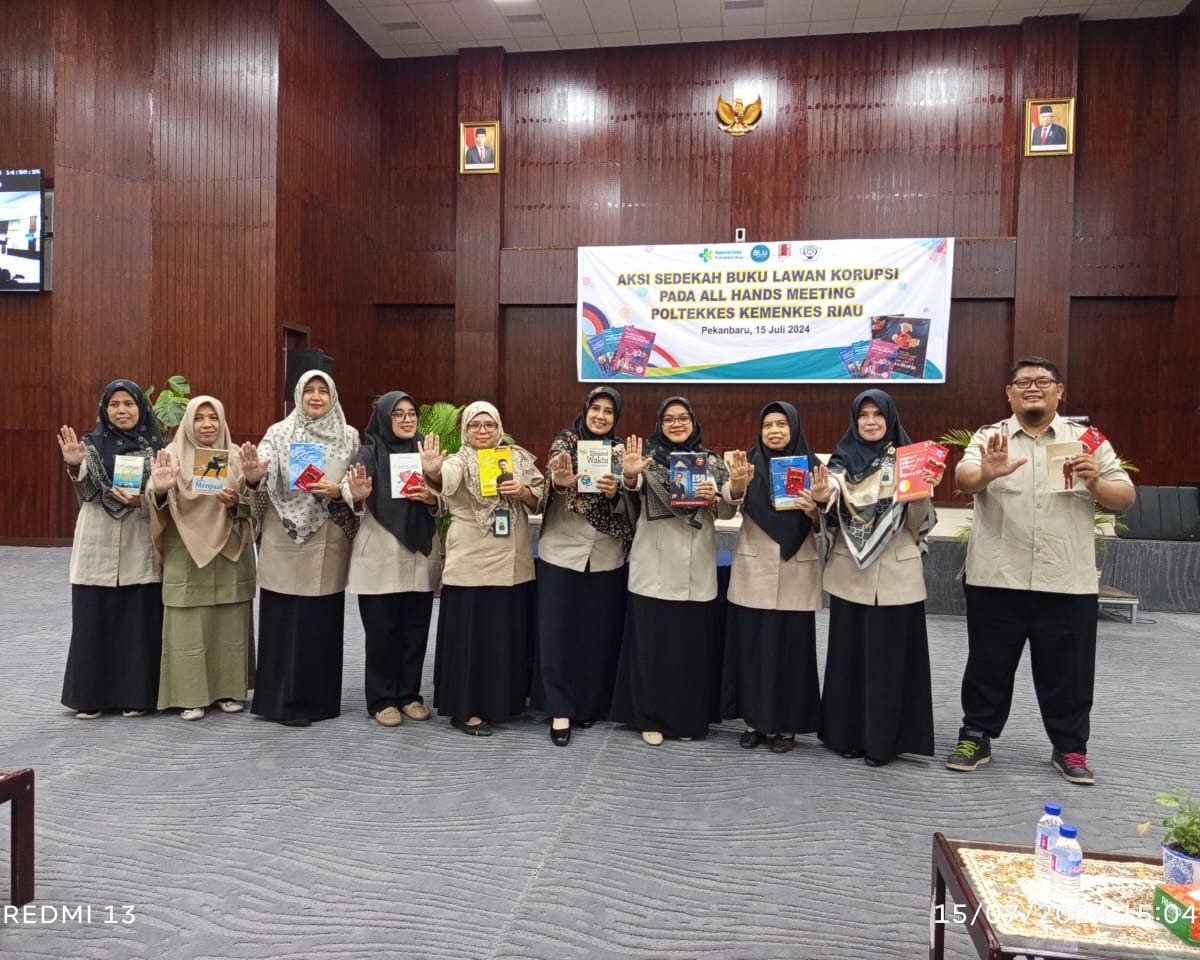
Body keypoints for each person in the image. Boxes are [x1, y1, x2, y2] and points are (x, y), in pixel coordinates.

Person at [946, 357, 1135, 785]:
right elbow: (963, 477)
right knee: (987, 665)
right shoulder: (989, 436)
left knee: (1068, 670)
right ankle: (976, 734)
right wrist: (985, 474)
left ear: (1060, 390)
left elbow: (1124, 495)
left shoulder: (1087, 439)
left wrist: (1096, 484)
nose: (1034, 388)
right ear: (1008, 393)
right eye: (1023, 382)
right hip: (997, 575)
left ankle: (1070, 747)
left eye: (1043, 381)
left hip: (1066, 579)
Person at [610, 396, 746, 746]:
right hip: (654, 566)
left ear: (693, 421)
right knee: (653, 649)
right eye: (669, 419)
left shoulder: (710, 462)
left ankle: (687, 717)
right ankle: (650, 718)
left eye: (682, 418)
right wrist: (628, 473)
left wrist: (726, 492)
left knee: (689, 650)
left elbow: (727, 506)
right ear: (659, 424)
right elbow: (631, 488)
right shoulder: (646, 459)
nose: (676, 424)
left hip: (696, 569)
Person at [814, 389, 938, 767]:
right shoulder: (840, 461)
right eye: (863, 415)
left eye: (877, 415)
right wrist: (822, 497)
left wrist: (921, 492)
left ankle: (886, 740)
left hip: (897, 575)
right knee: (849, 658)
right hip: (851, 573)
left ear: (890, 419)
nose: (870, 422)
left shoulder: (910, 460)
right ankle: (847, 735)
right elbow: (830, 506)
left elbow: (921, 525)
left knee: (891, 661)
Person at [243, 370, 369, 727]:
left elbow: (354, 479)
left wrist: (341, 489)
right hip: (284, 534)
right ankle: (279, 701)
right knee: (282, 618)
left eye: (323, 391)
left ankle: (318, 702)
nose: (316, 397)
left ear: (333, 397)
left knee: (320, 621)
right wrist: (253, 474)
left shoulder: (348, 435)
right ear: (298, 395)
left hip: (327, 534)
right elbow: (261, 472)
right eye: (309, 390)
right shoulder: (279, 432)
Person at [423, 401, 544, 736]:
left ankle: (504, 702)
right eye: (475, 425)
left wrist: (522, 491)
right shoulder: (458, 459)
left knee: (504, 634)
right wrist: (432, 469)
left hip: (512, 561)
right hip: (472, 561)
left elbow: (541, 497)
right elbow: (443, 481)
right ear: (465, 430)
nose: (482, 431)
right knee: (473, 637)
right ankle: (468, 708)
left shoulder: (516, 457)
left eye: (489, 425)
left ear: (499, 427)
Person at [58, 379, 165, 718]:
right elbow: (87, 492)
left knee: (137, 623)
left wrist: (144, 499)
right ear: (104, 409)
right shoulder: (89, 445)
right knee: (94, 622)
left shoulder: (157, 448)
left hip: (139, 540)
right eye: (114, 404)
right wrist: (74, 465)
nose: (122, 410)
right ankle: (91, 698)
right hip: (97, 542)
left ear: (141, 408)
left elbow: (166, 495)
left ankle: (136, 696)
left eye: (129, 403)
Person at [722, 402, 823, 755]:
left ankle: (787, 725)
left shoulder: (813, 466)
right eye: (768, 425)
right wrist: (736, 484)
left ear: (794, 427)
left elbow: (828, 521)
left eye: (782, 424)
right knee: (753, 649)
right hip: (754, 569)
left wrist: (815, 511)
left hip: (796, 567)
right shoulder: (746, 464)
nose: (775, 431)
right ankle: (753, 721)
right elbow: (727, 503)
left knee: (792, 652)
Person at [534, 387, 633, 746]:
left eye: (609, 411)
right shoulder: (564, 444)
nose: (601, 416)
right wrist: (560, 485)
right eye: (596, 408)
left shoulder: (621, 453)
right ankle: (560, 708)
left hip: (606, 555)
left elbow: (631, 502)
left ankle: (588, 704)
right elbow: (545, 488)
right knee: (558, 633)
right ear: (585, 410)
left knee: (595, 633)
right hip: (563, 552)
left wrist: (615, 493)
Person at [149, 396, 255, 721]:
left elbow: (257, 507)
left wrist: (243, 494)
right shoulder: (170, 456)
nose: (207, 424)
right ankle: (189, 695)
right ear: (188, 423)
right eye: (199, 418)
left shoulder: (237, 456)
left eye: (213, 417)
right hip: (187, 551)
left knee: (229, 626)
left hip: (230, 550)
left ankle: (229, 691)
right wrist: (161, 489)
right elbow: (153, 504)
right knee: (187, 627)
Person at [346, 391, 442, 728]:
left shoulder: (426, 451)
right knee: (382, 632)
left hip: (421, 551)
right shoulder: (369, 451)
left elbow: (445, 497)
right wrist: (355, 494)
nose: (406, 420)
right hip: (380, 554)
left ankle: (409, 695)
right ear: (384, 418)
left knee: (415, 630)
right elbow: (352, 487)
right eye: (397, 414)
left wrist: (433, 496)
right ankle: (382, 699)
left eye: (411, 413)